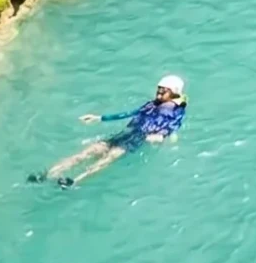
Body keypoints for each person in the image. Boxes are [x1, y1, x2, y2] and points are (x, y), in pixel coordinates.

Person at [36, 74, 188, 186]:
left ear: (174, 92)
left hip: (136, 141)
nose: (159, 94)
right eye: (158, 90)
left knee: (107, 159)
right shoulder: (153, 103)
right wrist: (100, 118)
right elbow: (130, 113)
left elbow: (171, 127)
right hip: (126, 133)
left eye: (163, 91)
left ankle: (74, 181)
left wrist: (161, 137)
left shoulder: (175, 111)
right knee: (89, 151)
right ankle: (48, 174)